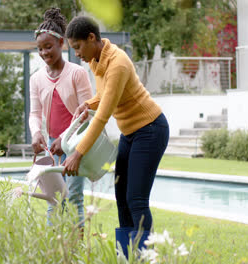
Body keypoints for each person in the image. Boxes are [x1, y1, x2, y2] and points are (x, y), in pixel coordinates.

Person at [62, 16, 169, 256]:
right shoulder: (96, 59)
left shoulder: (118, 62)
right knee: (122, 195)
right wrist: (87, 103)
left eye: (78, 46)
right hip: (130, 133)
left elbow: (102, 116)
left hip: (150, 129)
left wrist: (78, 154)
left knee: (136, 199)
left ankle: (143, 258)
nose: (77, 53)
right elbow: (105, 94)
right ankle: (125, 257)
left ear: (92, 38)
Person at [28, 8, 93, 228]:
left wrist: (64, 139)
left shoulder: (77, 73)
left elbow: (87, 113)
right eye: (40, 49)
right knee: (54, 200)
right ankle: (54, 250)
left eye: (48, 47)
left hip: (76, 144)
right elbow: (35, 113)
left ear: (61, 44)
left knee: (74, 198)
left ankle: (77, 252)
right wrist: (36, 133)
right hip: (52, 146)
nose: (44, 53)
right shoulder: (36, 79)